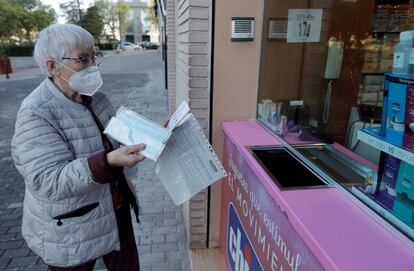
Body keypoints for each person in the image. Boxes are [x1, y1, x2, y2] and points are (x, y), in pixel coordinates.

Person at [11, 24, 145, 271]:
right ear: (52, 66)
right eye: (83, 59)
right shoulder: (36, 113)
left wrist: (152, 136)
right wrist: (108, 162)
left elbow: (117, 138)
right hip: (71, 228)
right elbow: (49, 180)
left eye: (95, 56)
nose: (93, 65)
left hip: (115, 211)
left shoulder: (97, 97)